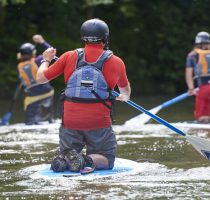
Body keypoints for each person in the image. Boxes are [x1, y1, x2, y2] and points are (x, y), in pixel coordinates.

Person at [36, 18, 131, 174]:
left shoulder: (68, 57)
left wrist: (46, 59)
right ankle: (85, 160)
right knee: (107, 158)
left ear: (83, 37)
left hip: (70, 122)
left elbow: (40, 78)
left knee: (69, 149)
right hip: (99, 123)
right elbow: (125, 91)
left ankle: (66, 158)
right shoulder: (116, 62)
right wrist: (124, 96)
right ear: (105, 37)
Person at [17, 34, 54, 125]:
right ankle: (49, 118)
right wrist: (42, 42)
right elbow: (51, 51)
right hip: (47, 93)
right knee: (48, 119)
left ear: (20, 55)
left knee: (30, 122)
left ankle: (34, 119)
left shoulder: (19, 66)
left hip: (32, 96)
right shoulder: (37, 61)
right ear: (33, 53)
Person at [185, 31, 210, 124]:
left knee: (203, 120)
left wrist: (191, 88)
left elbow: (189, 74)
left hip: (204, 89)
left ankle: (204, 137)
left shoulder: (192, 55)